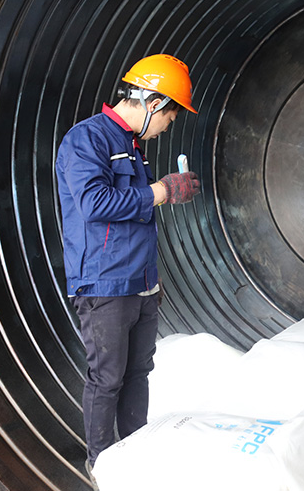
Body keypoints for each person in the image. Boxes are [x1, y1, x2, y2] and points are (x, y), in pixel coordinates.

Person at [55, 54, 200, 488]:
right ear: (153, 103)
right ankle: (102, 465)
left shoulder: (131, 146)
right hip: (105, 283)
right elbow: (94, 204)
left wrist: (152, 280)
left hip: (140, 283)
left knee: (138, 373)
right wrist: (160, 191)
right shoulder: (87, 139)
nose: (167, 128)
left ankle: (135, 451)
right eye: (169, 117)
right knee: (107, 378)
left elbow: (135, 221)